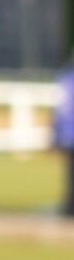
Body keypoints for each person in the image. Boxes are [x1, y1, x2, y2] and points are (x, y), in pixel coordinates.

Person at [54, 55, 74, 218]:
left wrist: (56, 134)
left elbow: (60, 110)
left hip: (67, 134)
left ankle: (69, 208)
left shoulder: (65, 79)